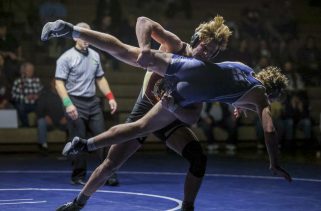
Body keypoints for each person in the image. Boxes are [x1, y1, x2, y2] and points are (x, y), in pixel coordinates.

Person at [41, 19, 292, 210]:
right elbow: (143, 21)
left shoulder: (206, 72)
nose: (207, 54)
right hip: (148, 107)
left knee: (197, 156)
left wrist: (181, 109)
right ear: (196, 38)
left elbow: (198, 112)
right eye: (206, 47)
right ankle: (78, 202)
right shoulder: (176, 47)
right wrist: (144, 49)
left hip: (170, 115)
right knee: (111, 163)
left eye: (213, 52)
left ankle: (187, 207)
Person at [54, 22, 119, 186]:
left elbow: (100, 78)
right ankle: (78, 175)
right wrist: (68, 104)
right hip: (74, 101)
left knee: (103, 137)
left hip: (92, 102)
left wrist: (110, 97)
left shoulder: (95, 56)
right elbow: (59, 83)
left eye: (88, 36)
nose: (86, 39)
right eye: (82, 35)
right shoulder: (66, 57)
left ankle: (107, 173)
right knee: (78, 138)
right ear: (75, 37)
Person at [36, 77, 68, 155]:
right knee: (41, 121)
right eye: (54, 83)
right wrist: (45, 116)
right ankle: (43, 146)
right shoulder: (45, 95)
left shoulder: (66, 95)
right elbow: (39, 109)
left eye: (58, 84)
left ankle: (71, 147)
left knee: (73, 121)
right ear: (51, 84)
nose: (56, 85)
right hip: (49, 122)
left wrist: (67, 117)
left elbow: (71, 107)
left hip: (63, 122)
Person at [11, 62, 42, 127]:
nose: (31, 71)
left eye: (32, 70)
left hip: (35, 104)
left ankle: (38, 125)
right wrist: (25, 97)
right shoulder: (18, 81)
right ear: (24, 71)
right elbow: (13, 96)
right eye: (29, 70)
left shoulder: (37, 80)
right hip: (24, 104)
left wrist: (38, 96)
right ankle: (26, 126)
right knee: (19, 106)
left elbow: (42, 93)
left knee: (42, 105)